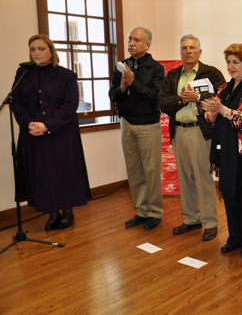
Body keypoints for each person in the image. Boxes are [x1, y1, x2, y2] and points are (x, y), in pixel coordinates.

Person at [12, 34, 91, 230]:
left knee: (62, 174)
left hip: (61, 133)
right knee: (44, 175)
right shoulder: (23, 73)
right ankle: (52, 212)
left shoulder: (66, 76)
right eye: (33, 49)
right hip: (33, 135)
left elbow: (70, 105)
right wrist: (29, 124)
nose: (36, 53)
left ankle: (68, 211)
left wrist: (48, 125)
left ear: (51, 51)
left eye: (41, 48)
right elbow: (16, 102)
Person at [202, 43, 242, 258]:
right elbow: (213, 119)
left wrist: (221, 110)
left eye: (236, 62)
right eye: (228, 62)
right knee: (229, 194)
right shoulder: (224, 88)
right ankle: (234, 238)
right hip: (228, 151)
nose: (231, 66)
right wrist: (211, 114)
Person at [158, 34, 225, 241]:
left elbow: (222, 97)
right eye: (184, 48)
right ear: (180, 52)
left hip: (200, 131)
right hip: (179, 131)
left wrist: (198, 97)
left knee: (203, 177)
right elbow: (162, 101)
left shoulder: (211, 73)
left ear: (199, 52)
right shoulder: (173, 75)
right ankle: (191, 218)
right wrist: (182, 99)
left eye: (192, 48)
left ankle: (210, 222)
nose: (188, 51)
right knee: (185, 178)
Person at [109, 26, 165, 231]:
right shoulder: (121, 66)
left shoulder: (156, 68)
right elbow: (112, 95)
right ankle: (141, 211)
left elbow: (155, 96)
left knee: (151, 171)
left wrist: (134, 84)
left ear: (147, 44)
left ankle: (155, 212)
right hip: (127, 123)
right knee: (134, 171)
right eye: (130, 39)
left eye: (137, 40)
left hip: (148, 125)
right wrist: (122, 88)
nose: (131, 43)